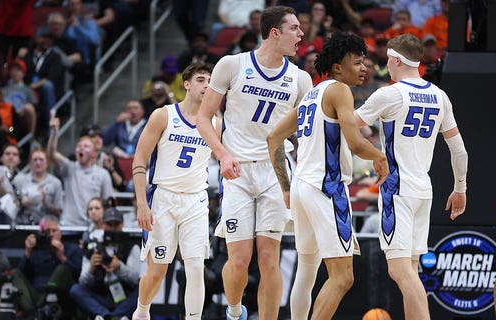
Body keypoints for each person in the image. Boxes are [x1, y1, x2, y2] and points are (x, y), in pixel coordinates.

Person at [196, 6, 313, 320]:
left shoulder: (300, 79)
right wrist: (222, 154)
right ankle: (235, 312)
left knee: (268, 257)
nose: (301, 35)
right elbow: (203, 118)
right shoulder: (232, 65)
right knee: (238, 260)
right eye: (295, 29)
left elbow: (307, 135)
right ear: (275, 32)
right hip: (237, 171)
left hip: (276, 172)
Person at [267, 31, 388, 319]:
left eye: (365, 62)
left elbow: (273, 138)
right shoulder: (339, 90)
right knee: (343, 277)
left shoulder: (312, 94)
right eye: (357, 62)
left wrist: (286, 186)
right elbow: (357, 143)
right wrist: (380, 156)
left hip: (302, 187)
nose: (364, 68)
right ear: (337, 67)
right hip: (327, 188)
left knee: (307, 271)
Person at [354, 34, 468, 319]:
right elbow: (460, 150)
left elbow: (347, 125)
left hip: (397, 189)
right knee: (411, 271)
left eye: (387, 61)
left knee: (400, 270)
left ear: (395, 59)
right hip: (422, 189)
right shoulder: (439, 96)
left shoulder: (389, 94)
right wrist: (460, 188)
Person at [131, 62, 214, 320]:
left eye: (211, 80)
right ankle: (142, 312)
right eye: (201, 79)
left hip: (195, 200)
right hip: (163, 198)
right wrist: (142, 203)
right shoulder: (163, 115)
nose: (207, 85)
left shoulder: (216, 123)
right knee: (157, 271)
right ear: (186, 84)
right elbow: (139, 161)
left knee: (195, 268)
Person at [70, 207, 140, 319]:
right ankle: (109, 316)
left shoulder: (131, 246)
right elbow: (83, 281)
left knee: (142, 289)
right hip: (100, 295)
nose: (112, 228)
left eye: (116, 224)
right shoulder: (93, 246)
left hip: (123, 297)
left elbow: (135, 279)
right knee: (76, 290)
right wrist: (91, 268)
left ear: (122, 224)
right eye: (109, 224)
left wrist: (120, 267)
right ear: (103, 224)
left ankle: (110, 316)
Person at [47, 115, 113, 227]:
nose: (81, 148)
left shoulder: (103, 174)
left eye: (86, 146)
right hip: (69, 225)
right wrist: (54, 133)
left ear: (93, 153)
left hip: (92, 227)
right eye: (79, 146)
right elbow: (51, 154)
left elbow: (108, 202)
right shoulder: (70, 168)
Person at [13, 214, 83, 318]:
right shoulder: (36, 250)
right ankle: (35, 311)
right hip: (36, 293)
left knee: (62, 269)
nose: (51, 235)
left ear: (60, 232)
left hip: (61, 295)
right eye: (47, 232)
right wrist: (27, 252)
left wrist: (62, 257)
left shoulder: (71, 249)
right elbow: (22, 275)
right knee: (14, 273)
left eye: (54, 231)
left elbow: (80, 275)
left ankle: (35, 313)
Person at [13, 148, 63, 224]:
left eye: (41, 160)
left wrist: (47, 203)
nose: (38, 163)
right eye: (35, 160)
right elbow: (10, 207)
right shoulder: (19, 180)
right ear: (29, 163)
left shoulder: (55, 183)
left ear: (47, 163)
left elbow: (59, 212)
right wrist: (22, 203)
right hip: (24, 225)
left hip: (47, 226)